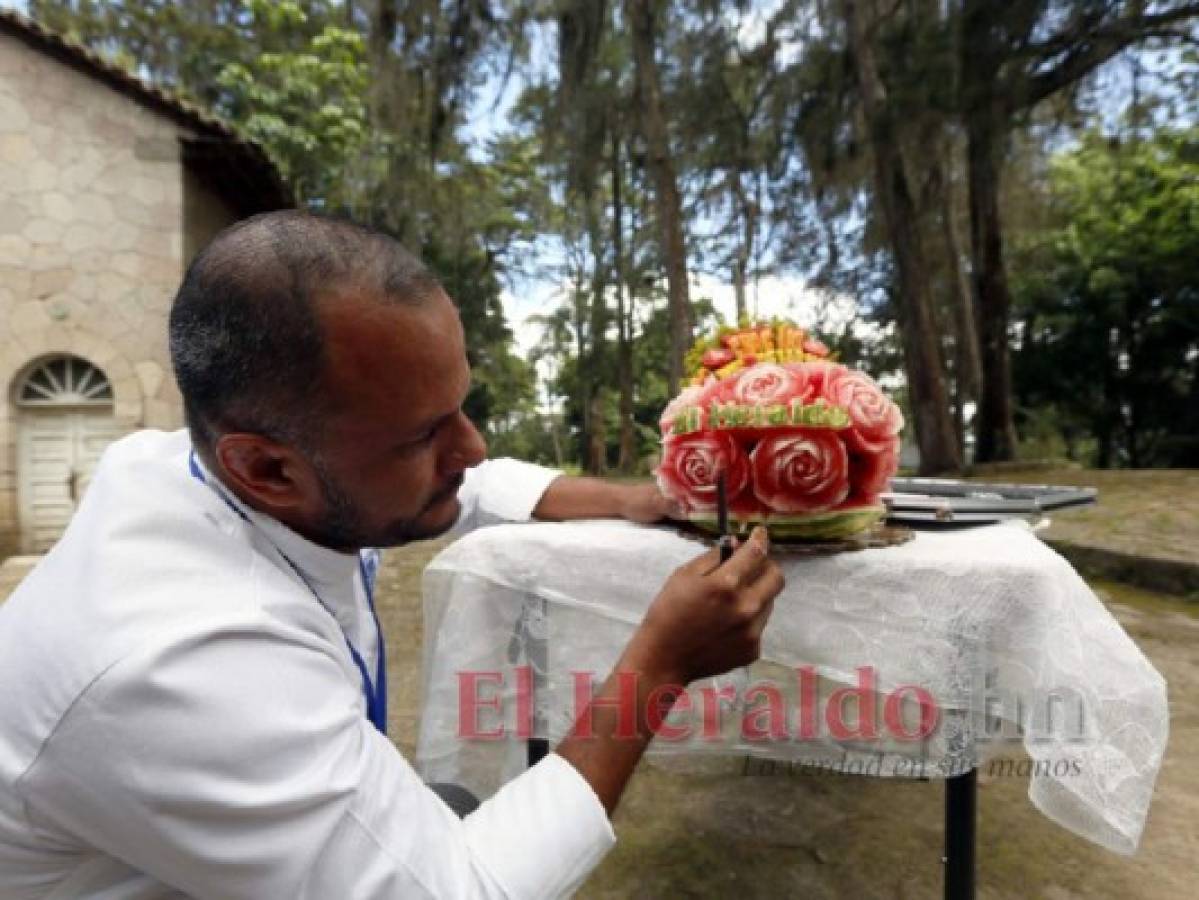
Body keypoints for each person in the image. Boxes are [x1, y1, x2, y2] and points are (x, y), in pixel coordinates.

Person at [0, 211, 783, 899]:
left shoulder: (211, 470)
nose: (471, 447)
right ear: (268, 468)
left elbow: (469, 486)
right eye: (424, 434)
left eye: (461, 406)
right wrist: (658, 665)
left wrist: (631, 501)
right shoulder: (181, 664)